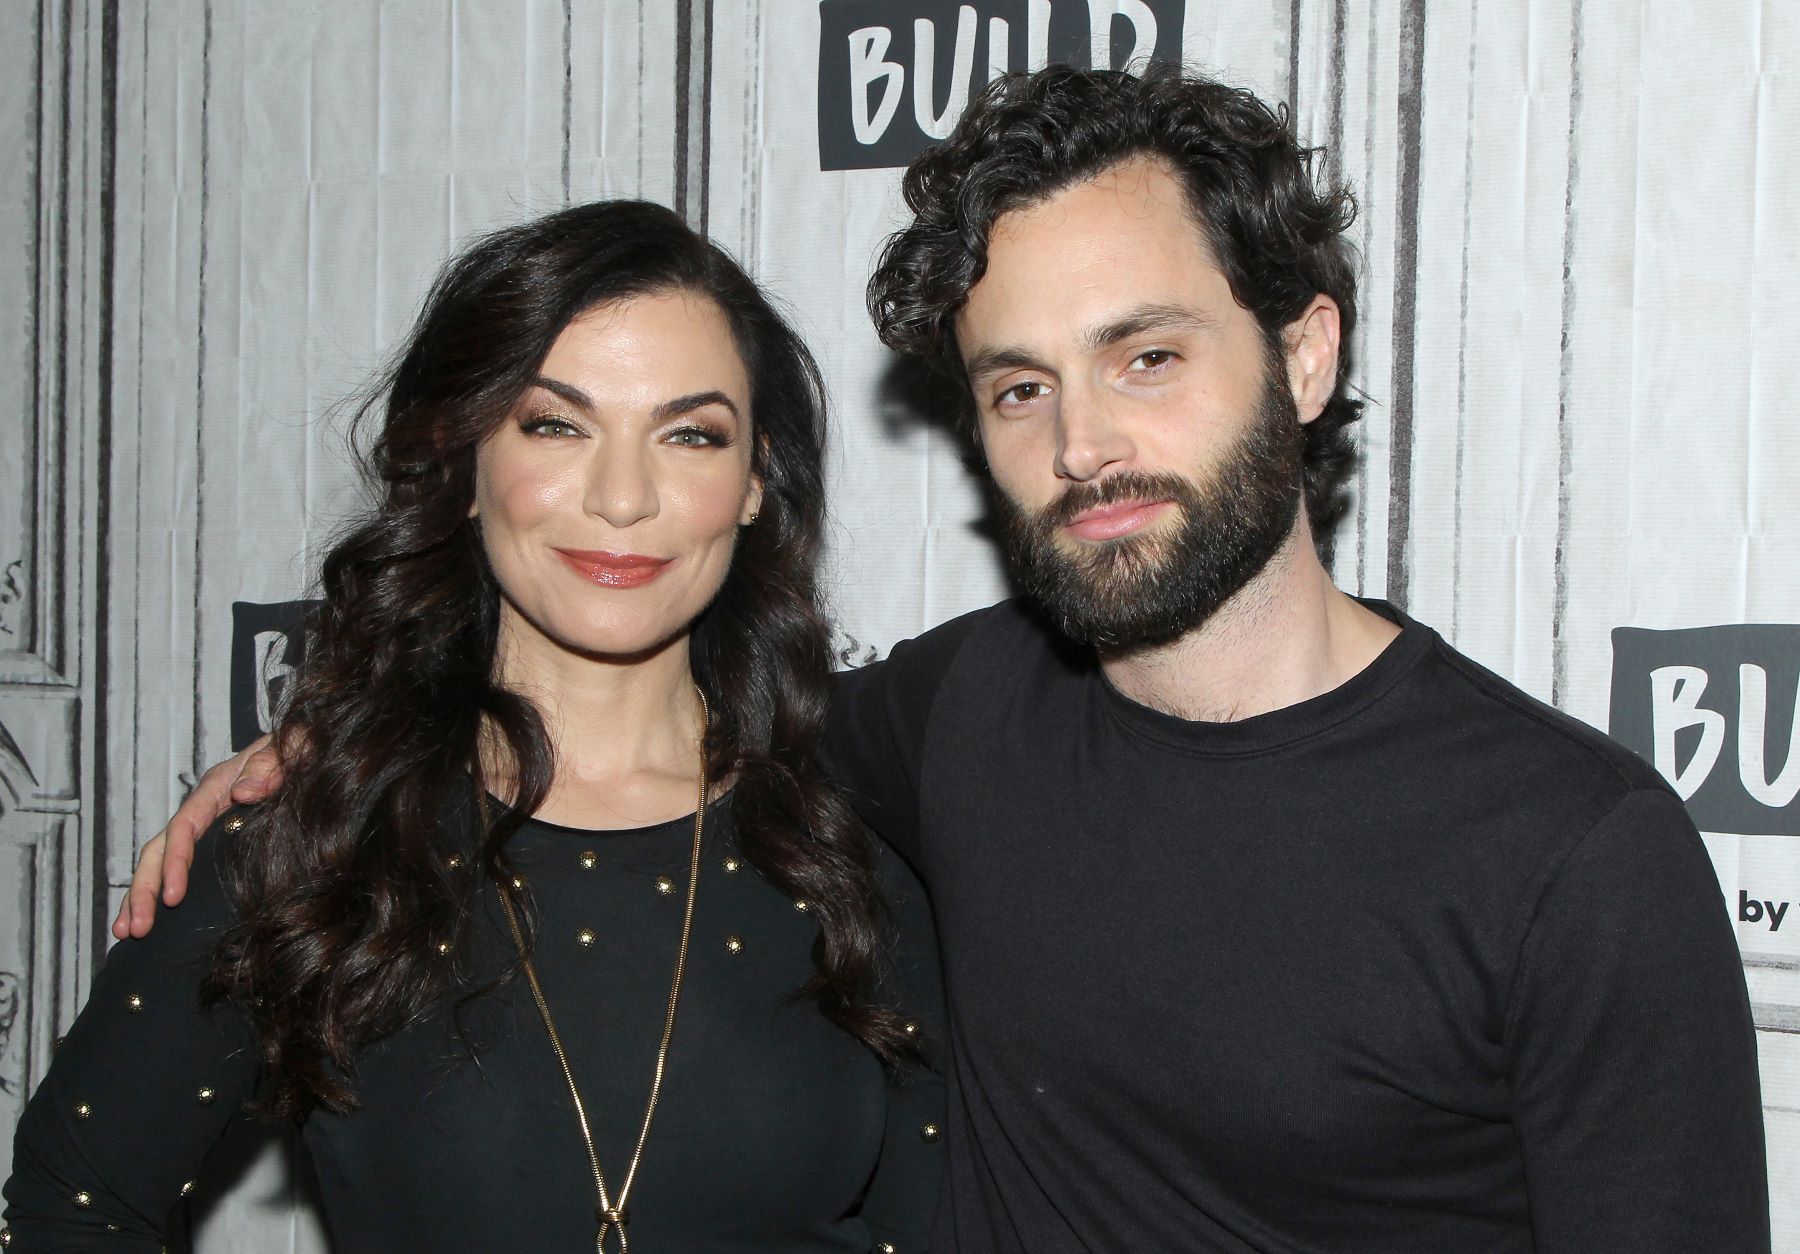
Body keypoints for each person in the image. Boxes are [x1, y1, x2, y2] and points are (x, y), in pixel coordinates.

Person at [113, 65, 1770, 1252]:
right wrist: (324, 750)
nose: (1086, 441)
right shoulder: (951, 715)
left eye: (1149, 354)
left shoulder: (1572, 851)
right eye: (1020, 384)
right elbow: (635, 706)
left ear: (1306, 350)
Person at [3, 200, 944, 1252]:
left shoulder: (867, 843)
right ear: (462, 462)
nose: (622, 497)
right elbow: (70, 1209)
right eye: (556, 423)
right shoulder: (311, 835)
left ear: (755, 483)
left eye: (689, 433)